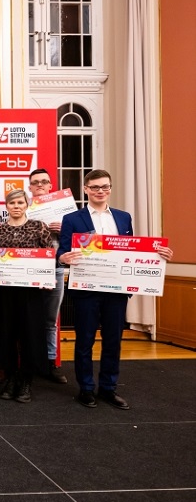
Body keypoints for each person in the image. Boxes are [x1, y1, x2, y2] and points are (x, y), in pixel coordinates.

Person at [58, 169, 174, 410]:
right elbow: (61, 252)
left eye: (105, 187)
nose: (100, 191)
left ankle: (109, 388)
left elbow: (132, 250)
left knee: (113, 341)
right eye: (95, 187)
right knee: (85, 341)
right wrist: (63, 258)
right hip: (86, 290)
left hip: (116, 291)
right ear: (86, 189)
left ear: (110, 189)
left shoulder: (123, 218)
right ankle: (86, 389)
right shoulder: (72, 219)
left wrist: (160, 254)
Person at [0, 189, 54, 403]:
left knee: (30, 334)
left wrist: (46, 278)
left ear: (27, 204)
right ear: (6, 206)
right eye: (12, 203)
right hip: (5, 291)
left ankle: (26, 379)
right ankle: (10, 377)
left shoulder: (38, 226)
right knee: (6, 334)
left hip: (31, 292)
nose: (16, 206)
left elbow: (49, 255)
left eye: (20, 202)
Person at [27, 168, 68, 384]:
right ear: (30, 187)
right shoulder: (23, 210)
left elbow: (82, 241)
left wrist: (65, 230)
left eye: (44, 182)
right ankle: (30, 362)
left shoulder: (66, 212)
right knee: (27, 319)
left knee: (50, 321)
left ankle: (51, 362)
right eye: (36, 182)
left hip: (55, 269)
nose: (40, 185)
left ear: (51, 185)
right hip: (28, 271)